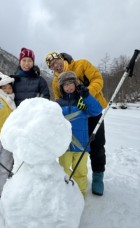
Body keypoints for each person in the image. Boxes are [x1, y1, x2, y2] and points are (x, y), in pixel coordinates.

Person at [46, 52, 108, 196]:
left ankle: (98, 177)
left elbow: (98, 79)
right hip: (75, 114)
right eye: (52, 65)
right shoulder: (56, 81)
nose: (56, 65)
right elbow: (59, 98)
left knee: (97, 145)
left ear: (62, 58)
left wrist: (85, 95)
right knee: (76, 143)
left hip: (91, 109)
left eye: (57, 61)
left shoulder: (82, 64)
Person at [56, 71, 102, 197]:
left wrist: (87, 96)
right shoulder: (58, 103)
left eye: (71, 83)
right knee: (63, 170)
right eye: (65, 85)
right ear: (61, 88)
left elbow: (97, 111)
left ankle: (80, 194)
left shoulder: (83, 100)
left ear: (76, 84)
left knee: (80, 171)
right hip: (64, 145)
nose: (69, 87)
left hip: (81, 144)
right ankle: (65, 193)